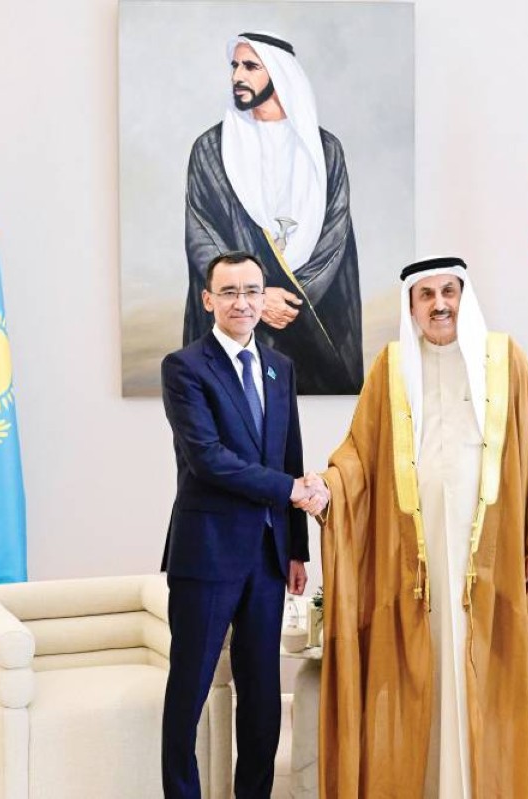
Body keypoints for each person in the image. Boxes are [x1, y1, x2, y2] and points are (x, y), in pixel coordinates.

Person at [299, 257, 528, 797]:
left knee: (484, 669)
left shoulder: (506, 360)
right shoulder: (390, 367)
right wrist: (329, 488)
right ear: (411, 306)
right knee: (421, 671)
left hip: (489, 557)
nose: (439, 304)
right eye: (426, 295)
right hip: (414, 563)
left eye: (449, 291)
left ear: (464, 296)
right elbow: (359, 454)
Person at [160, 250, 326, 798]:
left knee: (261, 697)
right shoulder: (184, 367)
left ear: (264, 297)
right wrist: (290, 490)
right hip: (206, 554)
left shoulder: (280, 368)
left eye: (251, 291)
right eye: (229, 292)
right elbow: (208, 459)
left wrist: (297, 548)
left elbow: (289, 454)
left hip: (268, 557)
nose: (242, 302)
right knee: (189, 691)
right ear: (209, 300)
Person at [183, 31, 363, 395]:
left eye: (250, 66)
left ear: (281, 74)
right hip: (233, 317)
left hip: (308, 314)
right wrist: (257, 299)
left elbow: (334, 239)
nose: (237, 75)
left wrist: (290, 300)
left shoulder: (326, 150)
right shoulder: (210, 149)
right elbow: (202, 235)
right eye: (235, 66)